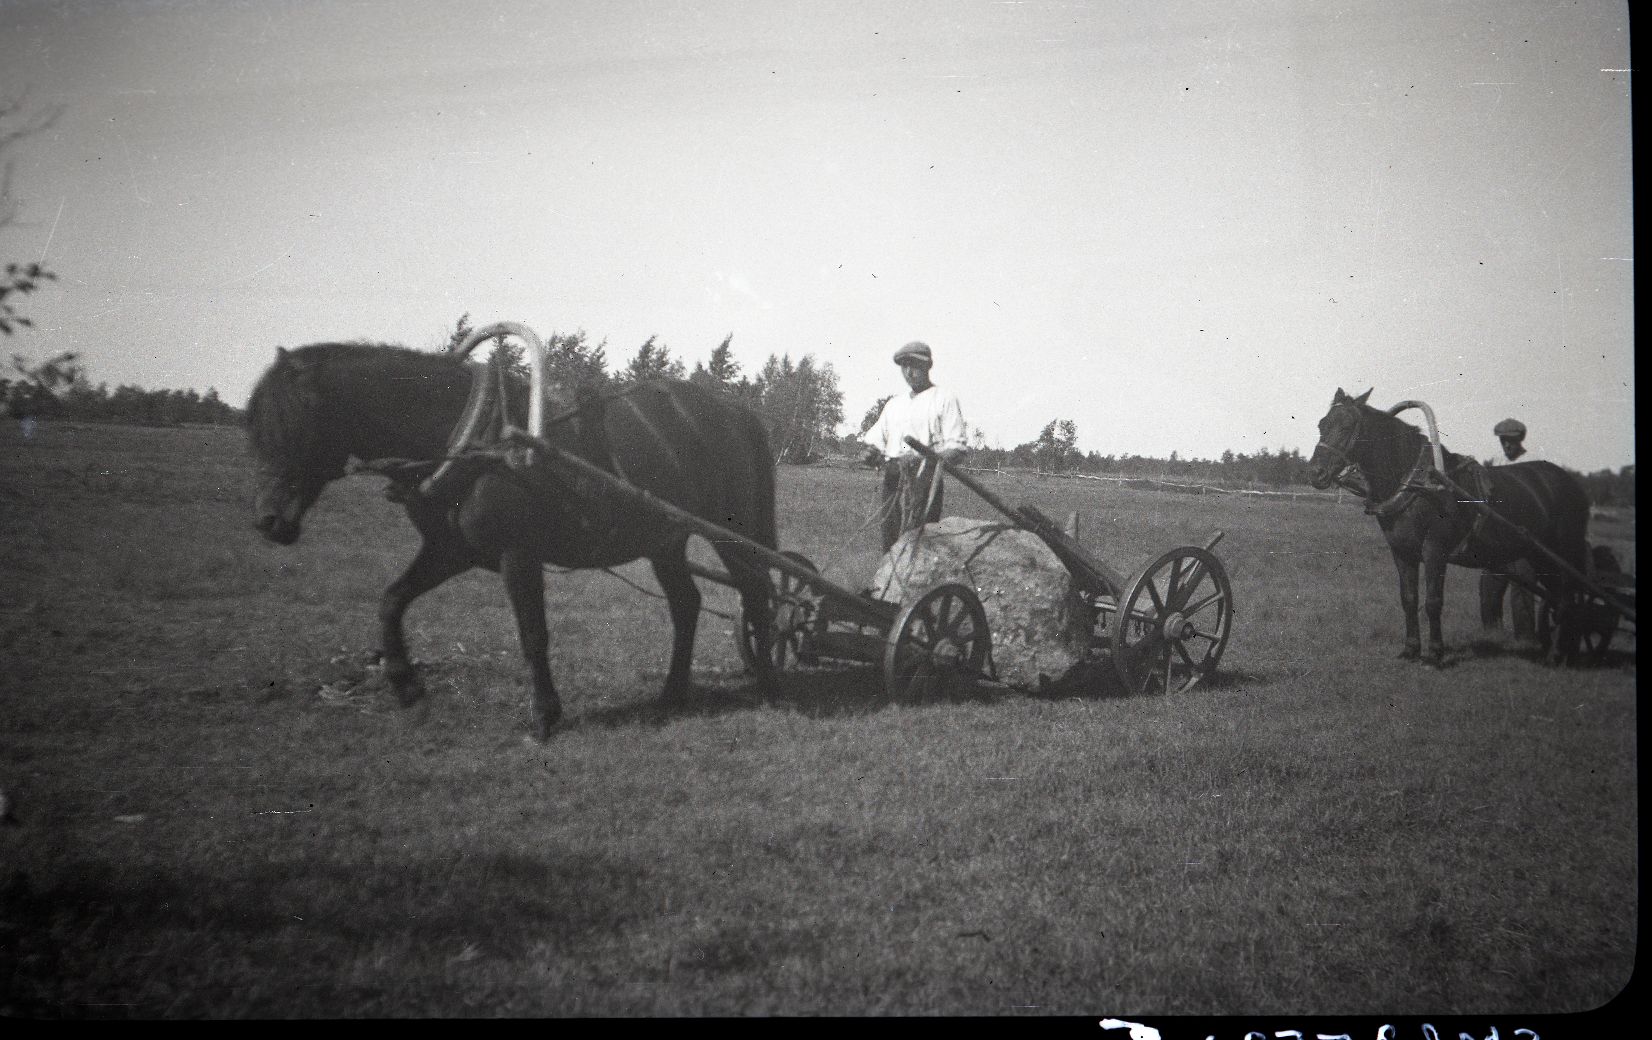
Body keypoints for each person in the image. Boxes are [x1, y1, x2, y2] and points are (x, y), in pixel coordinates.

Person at [861, 341, 968, 552]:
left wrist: (925, 460)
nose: (909, 372)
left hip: (925, 478)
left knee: (920, 540)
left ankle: (919, 582)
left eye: (915, 366)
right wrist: (869, 452)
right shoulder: (894, 404)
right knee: (890, 538)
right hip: (893, 477)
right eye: (904, 366)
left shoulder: (944, 398)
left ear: (928, 366)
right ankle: (888, 582)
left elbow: (957, 449)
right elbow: (875, 439)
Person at [1479, 417, 1539, 642]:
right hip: (1499, 538)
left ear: (1520, 440)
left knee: (1523, 585)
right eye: (1503, 441)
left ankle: (1525, 639)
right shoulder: (1496, 462)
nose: (1506, 445)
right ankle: (1491, 635)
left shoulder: (1533, 463)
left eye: (1511, 441)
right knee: (1489, 586)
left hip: (1524, 538)